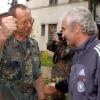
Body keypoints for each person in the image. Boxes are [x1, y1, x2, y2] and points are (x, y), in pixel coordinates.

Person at [0, 4, 45, 100]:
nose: (29, 25)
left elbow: (37, 75)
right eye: (24, 22)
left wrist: (42, 97)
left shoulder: (34, 44)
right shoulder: (3, 43)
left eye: (31, 20)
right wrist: (2, 36)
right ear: (13, 22)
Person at [61, 7, 99, 100]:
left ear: (76, 28)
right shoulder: (77, 53)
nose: (62, 35)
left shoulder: (97, 55)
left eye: (64, 29)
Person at [46, 31, 74, 100]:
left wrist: (60, 42)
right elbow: (49, 47)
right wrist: (53, 40)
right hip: (55, 74)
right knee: (54, 94)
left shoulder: (71, 46)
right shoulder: (61, 45)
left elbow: (63, 53)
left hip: (63, 76)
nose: (62, 36)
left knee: (59, 95)